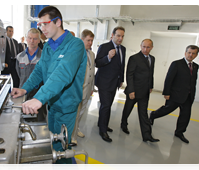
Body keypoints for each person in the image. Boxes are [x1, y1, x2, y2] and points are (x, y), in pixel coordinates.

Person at [11, 6, 87, 170]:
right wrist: (25, 89)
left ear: (58, 22)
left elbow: (63, 73)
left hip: (66, 107)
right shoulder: (47, 46)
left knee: (61, 150)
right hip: (52, 104)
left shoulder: (75, 45)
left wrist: (39, 97)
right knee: (53, 142)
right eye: (40, 25)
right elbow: (39, 71)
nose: (42, 29)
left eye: (45, 24)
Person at [149, 45, 199, 144]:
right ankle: (153, 115)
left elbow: (193, 82)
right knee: (166, 110)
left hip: (188, 96)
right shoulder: (177, 64)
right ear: (185, 53)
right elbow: (169, 79)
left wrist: (192, 94)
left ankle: (179, 132)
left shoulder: (195, 66)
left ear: (196, 55)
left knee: (185, 115)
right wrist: (166, 93)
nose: (191, 55)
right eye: (189, 52)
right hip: (175, 94)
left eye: (193, 53)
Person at [121, 39, 159, 142]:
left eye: (148, 47)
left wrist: (150, 86)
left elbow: (151, 74)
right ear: (140, 46)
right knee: (127, 109)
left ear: (151, 48)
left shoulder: (152, 58)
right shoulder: (134, 58)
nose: (145, 49)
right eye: (143, 47)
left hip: (145, 91)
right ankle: (123, 124)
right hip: (134, 90)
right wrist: (131, 90)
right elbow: (129, 75)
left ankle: (147, 135)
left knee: (143, 113)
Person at [95, 26, 126, 142]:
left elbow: (122, 65)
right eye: (118, 35)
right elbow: (97, 63)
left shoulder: (123, 49)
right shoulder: (104, 47)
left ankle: (101, 123)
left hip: (115, 83)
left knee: (107, 105)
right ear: (112, 35)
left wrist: (121, 79)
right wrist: (108, 57)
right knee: (106, 105)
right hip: (104, 82)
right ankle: (103, 130)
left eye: (122, 36)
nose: (120, 38)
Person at [70, 29, 95, 146]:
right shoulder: (76, 53)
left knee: (81, 113)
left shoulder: (92, 54)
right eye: (88, 40)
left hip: (88, 88)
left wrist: (92, 88)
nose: (90, 43)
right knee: (75, 113)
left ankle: (77, 129)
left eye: (92, 40)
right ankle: (72, 136)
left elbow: (92, 72)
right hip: (78, 90)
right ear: (82, 39)